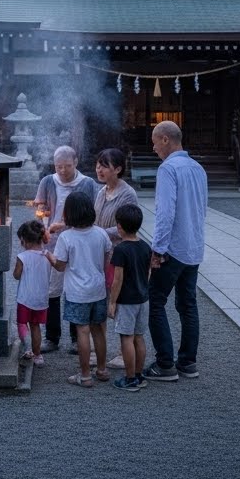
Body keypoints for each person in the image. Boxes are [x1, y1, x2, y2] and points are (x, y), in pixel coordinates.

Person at [144, 120, 207, 382]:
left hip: (172, 248)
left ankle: (165, 363)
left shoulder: (168, 168)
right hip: (194, 247)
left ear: (166, 139)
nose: (154, 147)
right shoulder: (197, 167)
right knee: (187, 305)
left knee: (156, 302)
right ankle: (188, 363)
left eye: (155, 142)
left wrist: (157, 248)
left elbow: (165, 213)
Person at [33, 146, 99, 353]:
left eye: (67, 166)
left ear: (76, 162)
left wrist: (65, 224)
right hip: (52, 242)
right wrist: (43, 225)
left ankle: (75, 338)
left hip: (79, 242)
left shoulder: (87, 184)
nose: (62, 170)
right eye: (58, 166)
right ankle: (52, 337)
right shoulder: (48, 181)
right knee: (52, 290)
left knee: (75, 290)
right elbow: (40, 208)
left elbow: (92, 214)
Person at [49, 191, 113, 387]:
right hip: (98, 289)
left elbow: (60, 266)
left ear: (69, 214)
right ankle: (102, 369)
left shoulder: (66, 237)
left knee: (82, 331)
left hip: (77, 292)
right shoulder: (101, 233)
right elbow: (107, 259)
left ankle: (85, 375)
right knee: (98, 331)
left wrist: (48, 256)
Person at [93, 147, 140, 370]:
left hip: (120, 253)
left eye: (104, 165)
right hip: (101, 252)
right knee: (101, 300)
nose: (99, 169)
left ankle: (124, 352)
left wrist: (98, 232)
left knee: (121, 302)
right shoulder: (102, 191)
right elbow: (95, 219)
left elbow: (124, 226)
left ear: (118, 169)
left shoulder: (127, 194)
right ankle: (100, 349)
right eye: (98, 165)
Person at [107, 203, 151, 391]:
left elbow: (118, 279)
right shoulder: (145, 246)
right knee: (139, 337)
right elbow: (148, 272)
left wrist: (112, 301)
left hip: (126, 300)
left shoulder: (121, 249)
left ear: (119, 226)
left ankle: (130, 377)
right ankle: (139, 375)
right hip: (143, 298)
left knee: (126, 337)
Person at [13, 219, 52, 366]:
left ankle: (27, 348)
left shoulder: (22, 257)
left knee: (22, 323)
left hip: (25, 298)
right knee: (36, 326)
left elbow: (16, 275)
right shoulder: (47, 256)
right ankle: (38, 355)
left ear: (25, 241)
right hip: (41, 299)